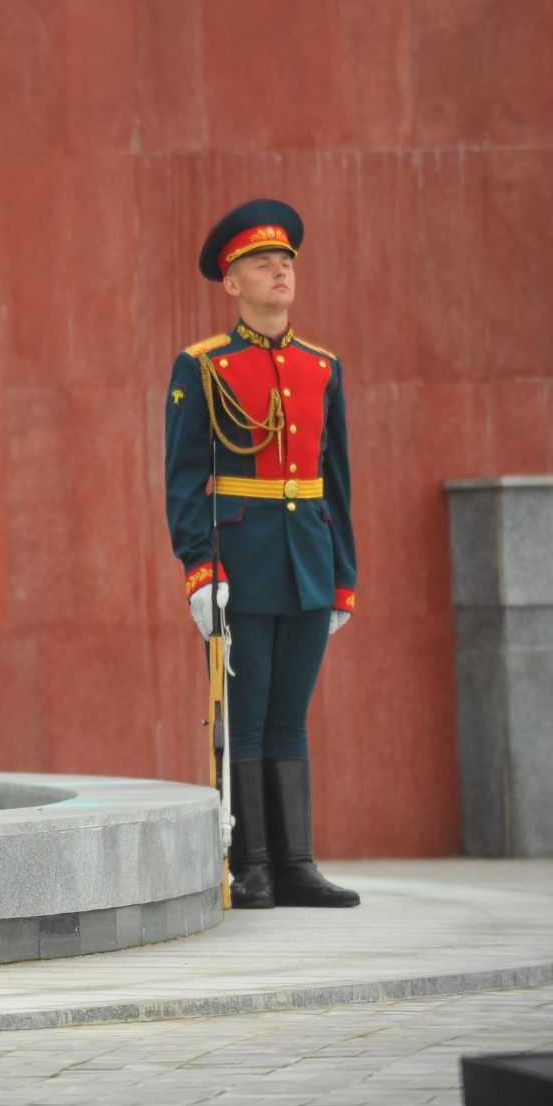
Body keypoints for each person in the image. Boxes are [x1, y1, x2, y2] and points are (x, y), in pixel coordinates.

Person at [163, 198, 360, 911]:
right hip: (240, 561)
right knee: (242, 717)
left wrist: (344, 576)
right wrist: (199, 568)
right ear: (232, 283)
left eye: (286, 261)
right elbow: (185, 479)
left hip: (309, 557)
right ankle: (251, 866)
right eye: (261, 263)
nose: (279, 270)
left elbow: (336, 481)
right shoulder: (204, 366)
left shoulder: (322, 367)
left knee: (289, 716)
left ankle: (296, 863)